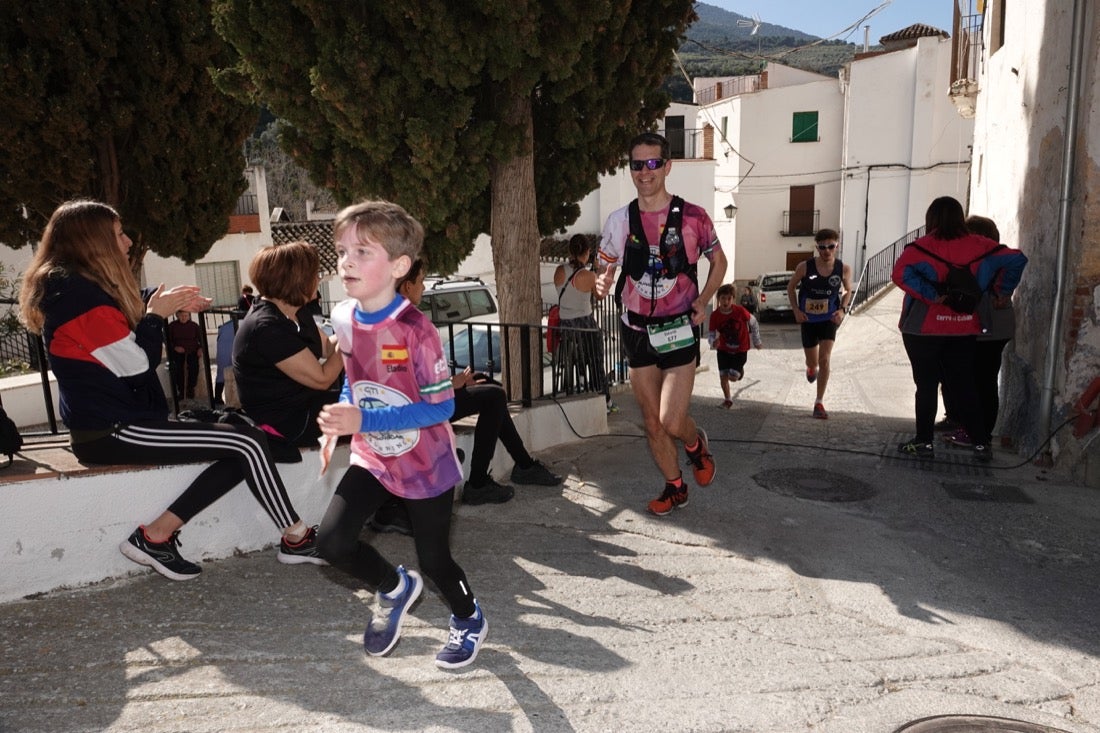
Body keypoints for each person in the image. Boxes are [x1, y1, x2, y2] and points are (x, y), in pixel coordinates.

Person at [18, 200, 324, 581]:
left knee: (243, 445)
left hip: (122, 421)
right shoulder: (74, 297)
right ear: (91, 242)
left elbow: (118, 311)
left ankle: (156, 536)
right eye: (118, 234)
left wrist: (169, 300)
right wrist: (156, 316)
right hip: (111, 429)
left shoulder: (82, 289)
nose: (128, 242)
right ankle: (296, 537)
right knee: (247, 443)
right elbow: (136, 366)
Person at [314, 199, 488, 669]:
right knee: (330, 543)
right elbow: (354, 376)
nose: (347, 260)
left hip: (425, 464)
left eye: (362, 251)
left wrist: (363, 422)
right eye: (343, 249)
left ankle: (469, 617)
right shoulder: (344, 317)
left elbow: (442, 406)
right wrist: (343, 417)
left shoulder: (417, 329)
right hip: (373, 458)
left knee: (434, 561)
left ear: (399, 266)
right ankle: (394, 587)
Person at [594, 132, 728, 516]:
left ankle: (695, 444)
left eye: (653, 163)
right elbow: (604, 268)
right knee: (653, 423)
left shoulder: (694, 217)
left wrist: (703, 301)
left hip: (678, 328)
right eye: (637, 164)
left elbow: (719, 262)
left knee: (672, 419)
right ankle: (675, 487)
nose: (645, 172)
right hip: (636, 330)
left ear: (667, 166)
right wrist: (602, 279)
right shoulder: (619, 221)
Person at [891, 196, 1006, 461]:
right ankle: (980, 443)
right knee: (964, 383)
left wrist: (932, 295)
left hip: (923, 328)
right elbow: (1008, 262)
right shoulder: (979, 245)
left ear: (931, 219)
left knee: (926, 385)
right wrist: (999, 290)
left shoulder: (921, 247)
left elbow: (899, 274)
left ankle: (923, 442)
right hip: (963, 326)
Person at [233, 242, 343, 448]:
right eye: (314, 275)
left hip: (305, 407)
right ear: (296, 280)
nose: (318, 280)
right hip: (287, 423)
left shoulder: (298, 312)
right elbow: (322, 378)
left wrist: (356, 331)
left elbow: (328, 346)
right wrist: (353, 341)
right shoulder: (267, 328)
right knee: (374, 412)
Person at [940, 215, 1028, 446]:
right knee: (980, 379)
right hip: (993, 327)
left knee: (982, 381)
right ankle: (973, 430)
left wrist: (1002, 291)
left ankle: (978, 434)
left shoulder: (989, 258)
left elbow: (1014, 264)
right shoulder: (991, 257)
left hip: (989, 328)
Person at [786, 228, 853, 420]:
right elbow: (790, 287)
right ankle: (809, 368)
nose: (826, 251)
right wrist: (796, 311)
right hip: (808, 320)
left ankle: (819, 402)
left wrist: (842, 309)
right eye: (822, 247)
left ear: (836, 246)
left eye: (830, 246)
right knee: (813, 362)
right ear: (817, 247)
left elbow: (848, 291)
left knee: (825, 360)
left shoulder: (843, 269)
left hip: (828, 319)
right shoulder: (805, 267)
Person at [554, 234, 613, 411]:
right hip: (584, 324)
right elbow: (600, 296)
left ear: (570, 251)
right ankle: (605, 399)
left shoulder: (559, 271)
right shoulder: (587, 275)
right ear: (587, 253)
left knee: (576, 356)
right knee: (596, 360)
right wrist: (599, 272)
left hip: (565, 325)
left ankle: (579, 380)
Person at [708, 283, 762, 409]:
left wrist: (757, 340)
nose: (726, 301)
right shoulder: (715, 316)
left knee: (733, 377)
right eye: (723, 298)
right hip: (723, 349)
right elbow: (711, 334)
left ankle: (739, 371)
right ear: (718, 299)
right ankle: (728, 400)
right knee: (723, 376)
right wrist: (713, 342)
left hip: (740, 349)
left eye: (729, 298)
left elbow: (754, 323)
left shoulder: (740, 311)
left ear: (733, 299)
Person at [167, 309, 203, 400]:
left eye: (186, 316)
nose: (184, 318)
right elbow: (167, 340)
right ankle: (181, 390)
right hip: (177, 351)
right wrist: (175, 348)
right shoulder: (172, 326)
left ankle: (190, 389)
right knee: (177, 368)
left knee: (194, 367)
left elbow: (201, 339)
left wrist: (200, 348)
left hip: (192, 351)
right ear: (177, 315)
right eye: (182, 315)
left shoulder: (194, 326)